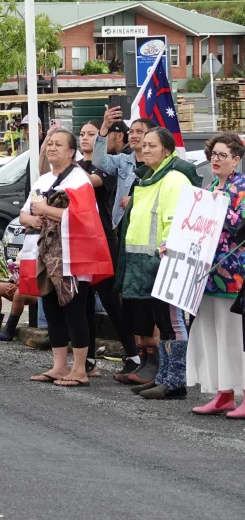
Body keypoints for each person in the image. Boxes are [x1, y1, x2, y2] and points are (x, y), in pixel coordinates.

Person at [22, 129, 109, 389]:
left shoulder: (79, 180)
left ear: (72, 152)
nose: (51, 147)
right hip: (47, 254)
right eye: (50, 143)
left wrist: (45, 210)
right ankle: (59, 365)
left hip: (73, 255)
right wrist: (33, 218)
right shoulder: (44, 180)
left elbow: (81, 217)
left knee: (74, 310)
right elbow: (24, 213)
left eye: (58, 144)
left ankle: (80, 368)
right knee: (51, 308)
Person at [117, 127, 200, 399]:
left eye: (153, 145)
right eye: (144, 144)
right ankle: (163, 377)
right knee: (162, 321)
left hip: (166, 262)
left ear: (167, 149)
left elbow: (174, 222)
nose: (146, 148)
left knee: (173, 322)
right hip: (147, 263)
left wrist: (167, 255)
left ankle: (175, 382)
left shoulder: (174, 179)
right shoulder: (149, 179)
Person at [95, 110, 160, 382]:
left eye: (140, 132)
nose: (134, 136)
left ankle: (156, 362)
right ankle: (137, 357)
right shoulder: (124, 161)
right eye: (131, 132)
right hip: (123, 232)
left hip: (151, 241)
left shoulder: (161, 170)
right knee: (128, 297)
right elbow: (98, 160)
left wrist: (134, 200)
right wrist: (103, 130)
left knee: (150, 301)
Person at [187, 133, 245, 416]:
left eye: (222, 155)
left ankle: (243, 394)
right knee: (210, 334)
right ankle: (223, 393)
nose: (216, 160)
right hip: (205, 274)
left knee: (233, 336)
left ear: (236, 160)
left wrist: (221, 205)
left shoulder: (241, 188)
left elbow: (240, 228)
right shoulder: (209, 186)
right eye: (213, 155)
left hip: (232, 274)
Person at [77, 120, 137, 377]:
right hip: (80, 240)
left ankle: (133, 354)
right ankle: (88, 359)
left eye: (92, 134)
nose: (86, 138)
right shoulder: (76, 167)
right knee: (84, 300)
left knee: (111, 301)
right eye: (81, 134)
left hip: (102, 239)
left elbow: (83, 184)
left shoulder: (108, 168)